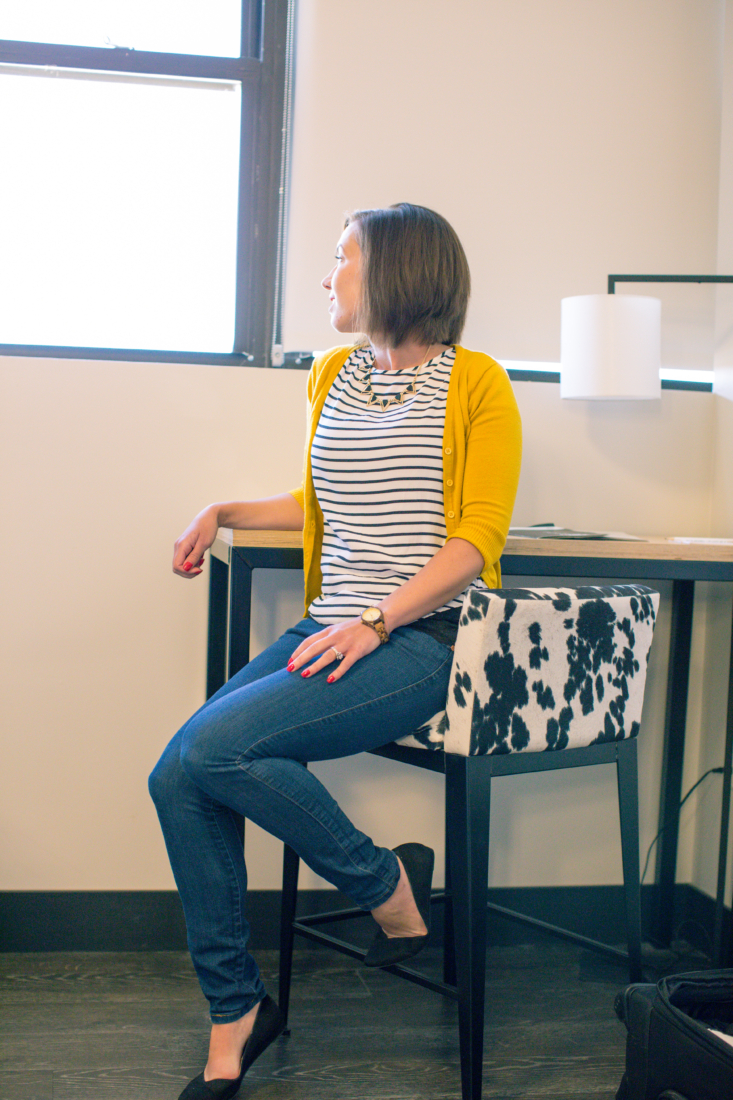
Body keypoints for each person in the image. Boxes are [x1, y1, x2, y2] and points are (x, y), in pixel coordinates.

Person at [149, 202, 522, 1100]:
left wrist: (380, 620)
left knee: (218, 748)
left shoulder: (478, 384)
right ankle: (237, 1006)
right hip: (329, 624)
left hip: (419, 638)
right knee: (177, 773)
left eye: (340, 257)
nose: (327, 276)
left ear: (396, 269)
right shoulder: (331, 374)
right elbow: (317, 498)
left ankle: (382, 881)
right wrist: (224, 511)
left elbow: (475, 540)